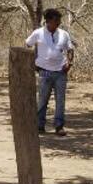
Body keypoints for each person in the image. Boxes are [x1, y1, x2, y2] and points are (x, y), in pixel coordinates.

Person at [25, 8, 76, 136]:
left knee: (60, 100)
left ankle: (59, 126)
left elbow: (70, 49)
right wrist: (33, 62)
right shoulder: (38, 33)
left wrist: (69, 63)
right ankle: (39, 125)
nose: (58, 23)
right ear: (47, 21)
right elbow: (27, 45)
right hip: (44, 71)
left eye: (59, 21)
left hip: (60, 72)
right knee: (42, 100)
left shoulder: (64, 34)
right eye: (55, 21)